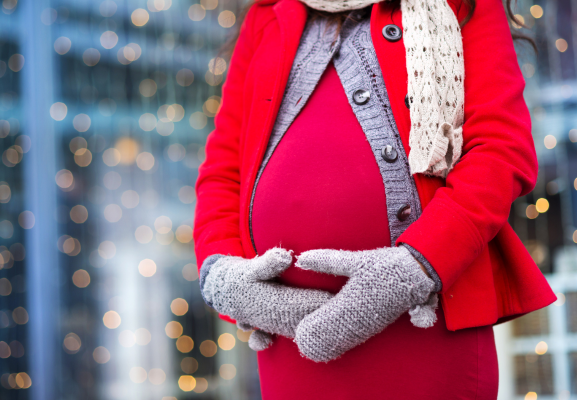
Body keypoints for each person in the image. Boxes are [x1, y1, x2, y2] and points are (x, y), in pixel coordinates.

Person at [194, 0, 557, 397]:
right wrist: (223, 275)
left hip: (425, 321)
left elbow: (501, 150)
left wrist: (414, 268)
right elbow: (224, 168)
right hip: (292, 343)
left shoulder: (464, 4)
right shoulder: (268, 14)